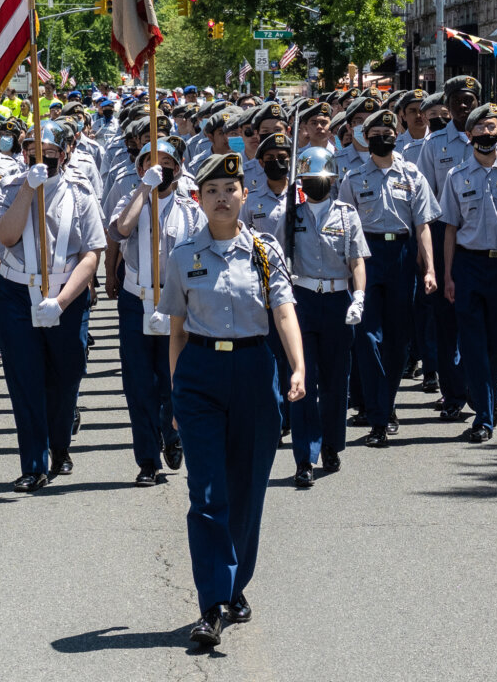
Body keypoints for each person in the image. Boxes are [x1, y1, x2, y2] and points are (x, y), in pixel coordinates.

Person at [158, 152, 306, 649]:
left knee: (246, 489)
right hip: (200, 373)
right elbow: (175, 332)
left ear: (245, 194)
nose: (222, 197)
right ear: (198, 200)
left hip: (252, 370)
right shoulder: (182, 255)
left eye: (231, 188)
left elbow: (283, 311)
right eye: (212, 190)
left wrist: (298, 366)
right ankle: (212, 603)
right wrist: (177, 394)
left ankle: (235, 583)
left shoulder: (264, 251)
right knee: (207, 492)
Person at [0, 121, 106, 493]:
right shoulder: (8, 188)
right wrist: (28, 187)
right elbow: (5, 236)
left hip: (66, 296)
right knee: (25, 380)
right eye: (32, 152)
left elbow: (91, 255)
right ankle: (34, 463)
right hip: (15, 293)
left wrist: (60, 301)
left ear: (65, 154)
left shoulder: (81, 194)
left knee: (66, 376)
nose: (41, 159)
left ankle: (59, 443)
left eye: (50, 153)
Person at [341, 109, 439, 446]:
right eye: (376, 132)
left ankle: (387, 402)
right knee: (368, 339)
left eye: (389, 131)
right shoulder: (352, 178)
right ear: (365, 139)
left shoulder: (412, 175)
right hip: (365, 257)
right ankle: (378, 416)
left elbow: (423, 226)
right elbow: (343, 229)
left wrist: (429, 268)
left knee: (398, 340)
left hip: (400, 256)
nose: (384, 136)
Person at [109, 136, 203, 486]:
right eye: (151, 162)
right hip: (136, 299)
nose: (159, 169)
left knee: (173, 378)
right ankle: (147, 459)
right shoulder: (130, 199)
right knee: (139, 382)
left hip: (176, 303)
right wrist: (143, 191)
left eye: (166, 163)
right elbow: (120, 230)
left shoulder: (190, 208)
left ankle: (172, 432)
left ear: (178, 169)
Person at [438, 105, 497, 442]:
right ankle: (483, 416)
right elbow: (450, 230)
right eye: (480, 129)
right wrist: (448, 275)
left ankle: (490, 392)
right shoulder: (455, 177)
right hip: (467, 265)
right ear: (469, 136)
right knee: (473, 344)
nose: (487, 134)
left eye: (492, 128)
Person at [285, 145, 368, 485]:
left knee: (336, 382)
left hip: (337, 300)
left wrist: (359, 296)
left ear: (333, 180)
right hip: (303, 299)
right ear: (301, 181)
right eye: (310, 179)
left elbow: (357, 260)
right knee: (303, 380)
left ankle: (332, 444)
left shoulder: (347, 214)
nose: (317, 185)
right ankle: (304, 457)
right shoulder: (292, 214)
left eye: (323, 179)